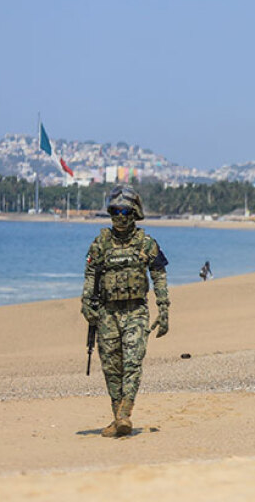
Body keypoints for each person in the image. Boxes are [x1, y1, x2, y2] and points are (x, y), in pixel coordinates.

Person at [80, 184, 170, 437]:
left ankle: (124, 415)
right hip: (107, 313)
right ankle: (117, 416)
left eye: (125, 211)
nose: (120, 217)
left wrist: (164, 309)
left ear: (134, 213)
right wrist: (87, 303)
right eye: (116, 211)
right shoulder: (100, 244)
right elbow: (90, 274)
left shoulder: (146, 243)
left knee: (132, 362)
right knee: (111, 367)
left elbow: (159, 275)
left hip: (136, 312)